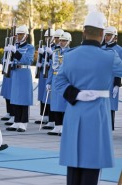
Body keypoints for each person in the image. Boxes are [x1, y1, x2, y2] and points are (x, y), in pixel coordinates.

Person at [54, 11, 122, 185]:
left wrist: (76, 94)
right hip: (97, 113)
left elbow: (59, 82)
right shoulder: (109, 57)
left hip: (74, 111)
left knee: (74, 162)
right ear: (101, 34)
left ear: (84, 32)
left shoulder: (70, 56)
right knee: (93, 159)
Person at [5, 25, 35, 132]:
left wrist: (15, 52)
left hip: (24, 72)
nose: (18, 36)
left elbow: (27, 60)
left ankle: (23, 122)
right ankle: (16, 121)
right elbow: (5, 61)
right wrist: (6, 54)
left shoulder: (30, 47)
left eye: (21, 34)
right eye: (18, 34)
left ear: (26, 36)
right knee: (15, 97)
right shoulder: (14, 46)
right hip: (15, 72)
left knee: (24, 98)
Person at [45, 32, 71, 135]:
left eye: (64, 41)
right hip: (55, 78)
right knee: (55, 103)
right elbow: (52, 68)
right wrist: (49, 82)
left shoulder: (70, 53)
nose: (61, 42)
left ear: (68, 41)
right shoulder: (55, 52)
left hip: (65, 79)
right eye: (60, 40)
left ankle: (64, 126)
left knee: (64, 103)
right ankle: (57, 125)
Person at [102, 26, 121, 130]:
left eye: (109, 35)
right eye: (106, 35)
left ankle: (109, 127)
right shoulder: (101, 48)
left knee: (110, 105)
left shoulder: (119, 50)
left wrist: (117, 84)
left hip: (112, 81)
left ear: (114, 37)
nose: (106, 37)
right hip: (102, 81)